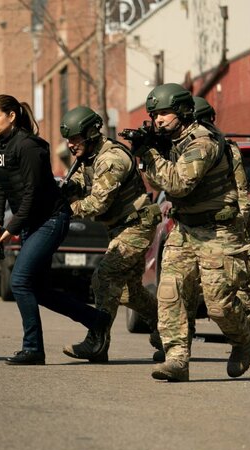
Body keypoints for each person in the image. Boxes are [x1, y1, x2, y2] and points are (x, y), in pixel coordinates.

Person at [135, 83, 250, 382]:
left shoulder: (203, 141)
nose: (158, 120)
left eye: (164, 113)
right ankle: (176, 359)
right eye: (154, 115)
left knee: (218, 305)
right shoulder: (172, 141)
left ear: (183, 111)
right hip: (185, 229)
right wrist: (149, 153)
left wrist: (149, 156)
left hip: (218, 232)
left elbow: (178, 184)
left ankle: (243, 339)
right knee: (170, 293)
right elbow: (161, 185)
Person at [0, 95, 111, 365]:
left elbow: (33, 193)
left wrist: (12, 227)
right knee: (38, 290)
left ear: (12, 116)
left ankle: (33, 349)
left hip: (51, 219)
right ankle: (97, 320)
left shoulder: (31, 147)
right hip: (31, 221)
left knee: (19, 281)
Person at [58, 106, 162, 362]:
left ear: (92, 133)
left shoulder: (112, 158)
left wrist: (65, 209)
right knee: (128, 292)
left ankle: (97, 342)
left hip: (136, 225)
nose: (71, 145)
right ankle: (169, 327)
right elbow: (82, 182)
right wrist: (68, 188)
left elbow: (98, 203)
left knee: (104, 277)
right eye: (68, 140)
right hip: (120, 227)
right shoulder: (89, 157)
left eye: (75, 139)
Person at [192, 96, 250, 361]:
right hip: (208, 230)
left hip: (235, 228)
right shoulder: (193, 147)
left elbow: (242, 194)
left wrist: (239, 226)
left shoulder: (227, 150)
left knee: (248, 288)